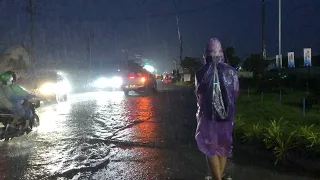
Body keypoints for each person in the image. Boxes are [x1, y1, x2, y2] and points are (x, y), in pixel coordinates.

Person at [195, 38, 239, 180]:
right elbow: (235, 92)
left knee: (210, 147)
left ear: (206, 54)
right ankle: (218, 177)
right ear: (221, 53)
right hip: (227, 114)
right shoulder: (231, 71)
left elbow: (199, 93)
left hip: (208, 115)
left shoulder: (200, 72)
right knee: (222, 145)